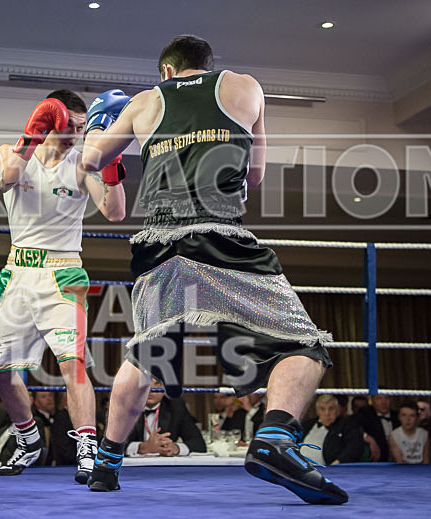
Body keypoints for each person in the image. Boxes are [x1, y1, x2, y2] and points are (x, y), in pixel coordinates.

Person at [81, 34, 346, 504]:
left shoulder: (145, 102)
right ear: (207, 65)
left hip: (157, 245)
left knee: (146, 354)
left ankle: (106, 464)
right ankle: (276, 439)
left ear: (166, 72)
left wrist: (104, 136)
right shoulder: (245, 87)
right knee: (304, 343)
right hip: (220, 236)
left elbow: (92, 159)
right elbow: (256, 176)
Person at [0, 89, 125, 483]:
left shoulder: (83, 164)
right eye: (69, 125)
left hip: (63, 274)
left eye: (82, 128)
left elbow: (115, 213)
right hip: (17, 272)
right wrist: (31, 136)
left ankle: (87, 449)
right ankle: (28, 440)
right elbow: (4, 179)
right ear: (47, 122)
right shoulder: (10, 153)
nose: (75, 134)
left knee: (73, 364)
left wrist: (109, 162)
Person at [125, 378, 205, 457]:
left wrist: (175, 448)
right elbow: (114, 445)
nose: (151, 389)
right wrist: (142, 447)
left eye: (157, 384)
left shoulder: (176, 406)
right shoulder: (124, 406)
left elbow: (199, 444)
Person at [300, 395, 364, 465]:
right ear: (317, 412)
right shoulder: (306, 425)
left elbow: (354, 448)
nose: (327, 413)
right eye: (322, 409)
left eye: (331, 409)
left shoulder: (347, 426)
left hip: (329, 471)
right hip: (300, 469)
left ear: (337, 410)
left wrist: (335, 465)